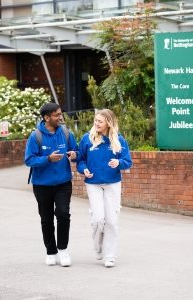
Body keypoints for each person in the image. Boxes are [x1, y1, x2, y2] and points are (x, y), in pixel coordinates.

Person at [77, 109, 132, 268]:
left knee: (112, 221)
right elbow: (80, 160)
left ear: (108, 122)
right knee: (98, 219)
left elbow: (127, 161)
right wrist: (84, 169)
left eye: (100, 121)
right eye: (96, 121)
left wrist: (119, 163)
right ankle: (98, 246)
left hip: (112, 183)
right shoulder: (87, 139)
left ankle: (110, 256)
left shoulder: (118, 139)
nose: (96, 123)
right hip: (93, 183)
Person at [25, 102, 78, 267]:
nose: (60, 117)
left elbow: (76, 152)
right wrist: (47, 159)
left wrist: (74, 154)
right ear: (46, 118)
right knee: (46, 219)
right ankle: (51, 251)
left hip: (63, 183)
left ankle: (63, 249)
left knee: (63, 214)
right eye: (56, 115)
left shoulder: (66, 133)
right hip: (42, 185)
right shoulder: (35, 136)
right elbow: (29, 160)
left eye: (60, 114)